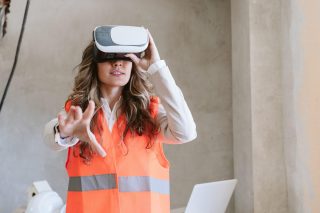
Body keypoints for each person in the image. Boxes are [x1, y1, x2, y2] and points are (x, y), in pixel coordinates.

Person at [43, 28, 197, 213]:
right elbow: (51, 137)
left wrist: (157, 67)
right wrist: (64, 132)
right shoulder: (79, 113)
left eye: (126, 57)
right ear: (94, 63)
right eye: (109, 57)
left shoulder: (150, 112)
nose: (118, 63)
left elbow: (185, 133)